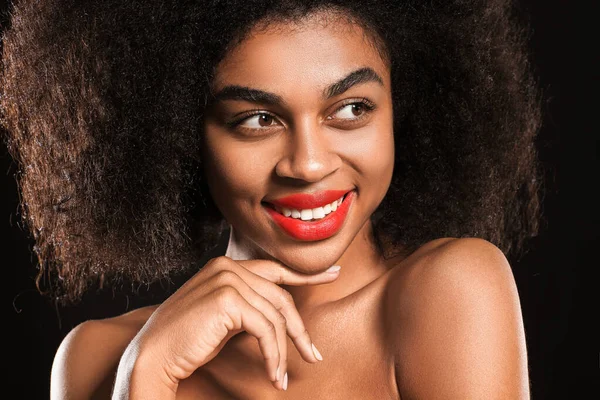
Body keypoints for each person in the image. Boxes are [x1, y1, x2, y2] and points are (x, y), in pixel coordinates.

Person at [1, 0, 542, 398]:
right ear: (178, 134)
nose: (308, 164)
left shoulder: (449, 292)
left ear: (404, 111)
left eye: (352, 108)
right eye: (258, 119)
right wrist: (144, 380)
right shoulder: (99, 359)